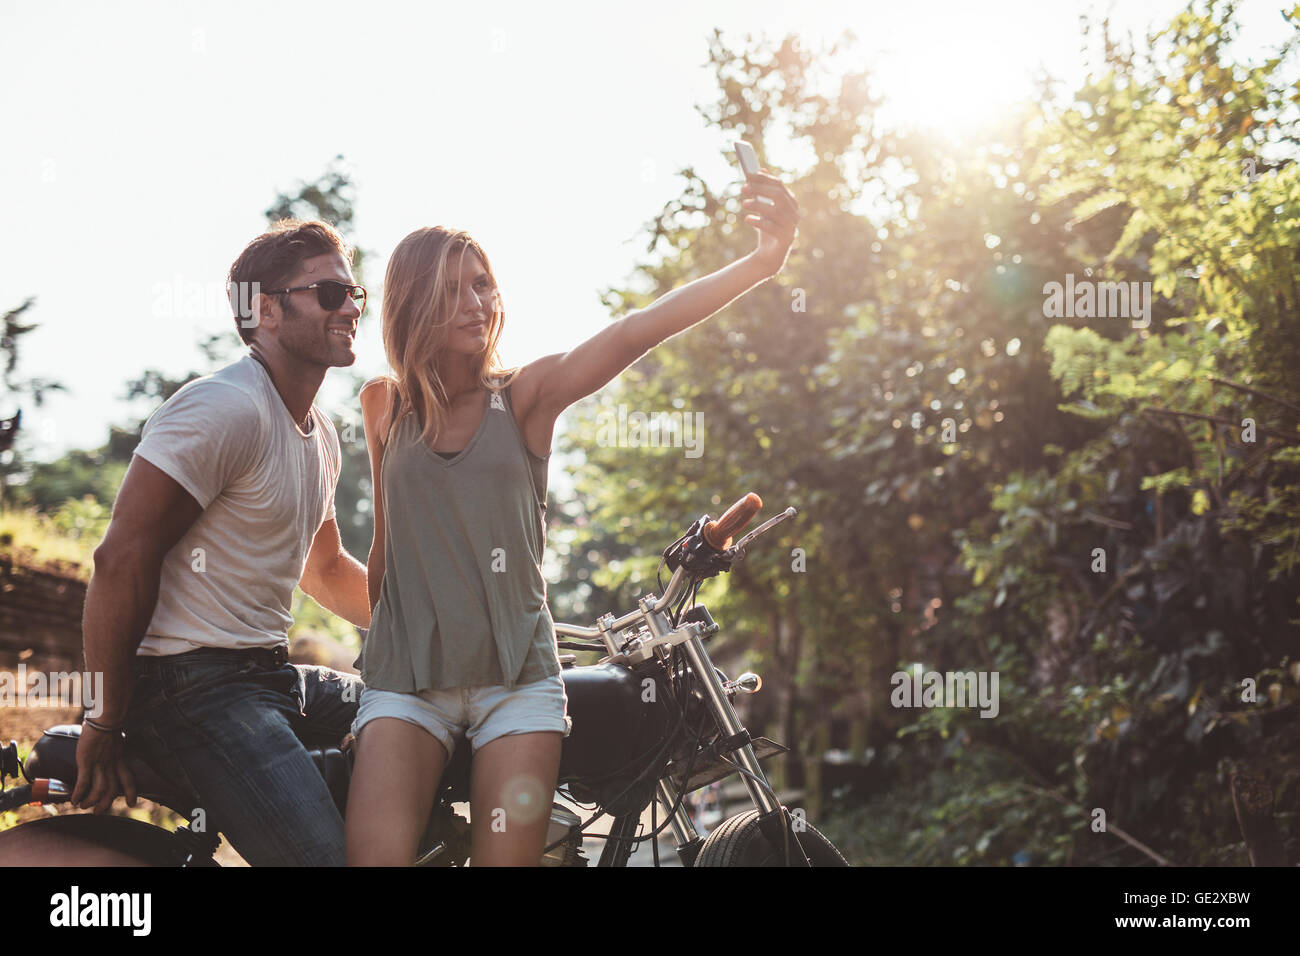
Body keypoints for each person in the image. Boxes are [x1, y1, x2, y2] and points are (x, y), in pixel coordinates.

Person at [346, 167, 800, 865]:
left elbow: (632, 333)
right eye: (454, 287)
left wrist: (763, 263)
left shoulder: (525, 395)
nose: (477, 301)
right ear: (413, 301)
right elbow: (387, 556)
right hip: (406, 685)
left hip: (517, 685)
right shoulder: (385, 406)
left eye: (482, 283)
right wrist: (369, 690)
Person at [72, 219, 373, 866]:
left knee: (417, 716)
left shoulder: (319, 433)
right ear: (264, 310)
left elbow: (323, 571)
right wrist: (103, 719)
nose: (350, 307)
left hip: (270, 673)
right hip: (190, 684)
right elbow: (120, 558)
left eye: (355, 294)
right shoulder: (226, 408)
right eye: (328, 293)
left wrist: (446, 631)